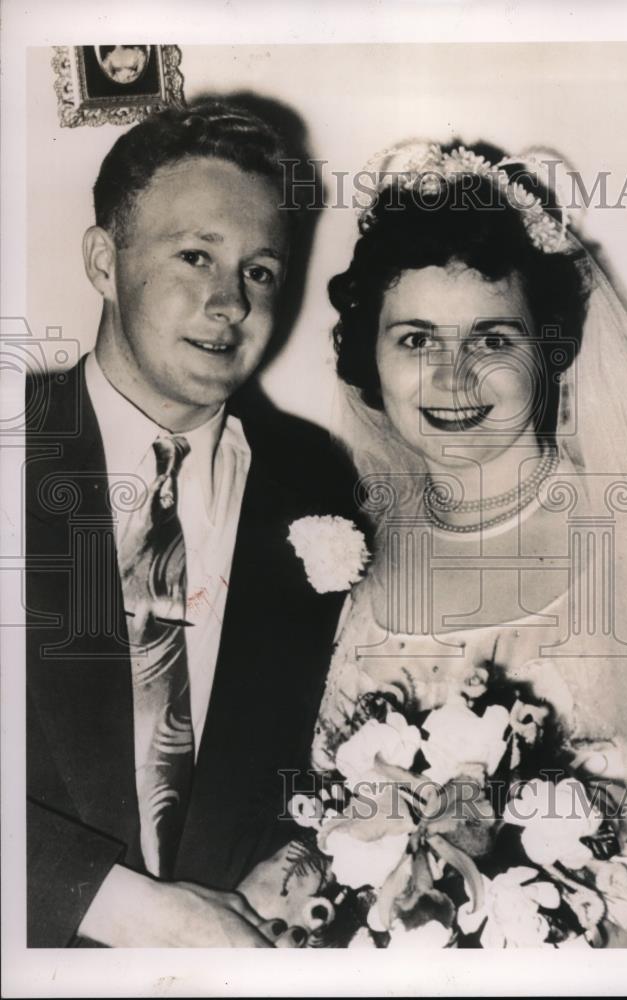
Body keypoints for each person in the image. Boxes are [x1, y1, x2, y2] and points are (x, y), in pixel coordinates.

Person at [241, 140, 627, 946]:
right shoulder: (346, 547)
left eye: (491, 339)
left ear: (548, 350)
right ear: (369, 354)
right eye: (415, 339)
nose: (453, 378)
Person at [25, 102, 359, 947]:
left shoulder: (314, 479)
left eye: (259, 272)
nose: (228, 302)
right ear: (105, 260)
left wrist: (297, 854)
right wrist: (125, 909)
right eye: (194, 256)